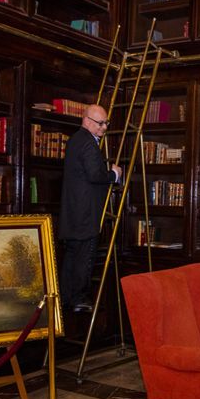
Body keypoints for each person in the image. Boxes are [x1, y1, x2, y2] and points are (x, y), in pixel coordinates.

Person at [59, 104, 122, 312]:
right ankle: (78, 298)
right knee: (84, 256)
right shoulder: (88, 143)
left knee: (72, 257)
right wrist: (114, 174)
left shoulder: (75, 140)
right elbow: (95, 175)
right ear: (87, 121)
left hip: (73, 213)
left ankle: (67, 297)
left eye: (106, 123)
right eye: (100, 123)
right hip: (85, 214)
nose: (104, 127)